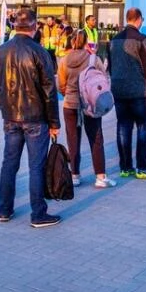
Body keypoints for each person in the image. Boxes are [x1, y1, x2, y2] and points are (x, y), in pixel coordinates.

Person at [0, 7, 62, 228]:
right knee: (36, 166)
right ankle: (38, 213)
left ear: (14, 26)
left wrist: (6, 107)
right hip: (35, 117)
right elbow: (49, 91)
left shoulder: (1, 51)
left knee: (9, 164)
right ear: (34, 26)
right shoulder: (39, 52)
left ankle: (4, 209)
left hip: (11, 117)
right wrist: (54, 123)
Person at [108, 7, 146, 179]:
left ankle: (125, 167)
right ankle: (143, 167)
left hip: (119, 91)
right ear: (138, 19)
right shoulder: (142, 40)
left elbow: (111, 66)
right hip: (140, 92)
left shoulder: (114, 40)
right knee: (144, 128)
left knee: (123, 128)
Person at [57, 29, 115, 188]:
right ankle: (100, 176)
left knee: (73, 140)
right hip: (90, 105)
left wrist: (69, 94)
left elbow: (60, 85)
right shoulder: (93, 59)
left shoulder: (64, 60)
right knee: (96, 140)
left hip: (70, 104)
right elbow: (103, 79)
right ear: (85, 42)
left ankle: (75, 175)